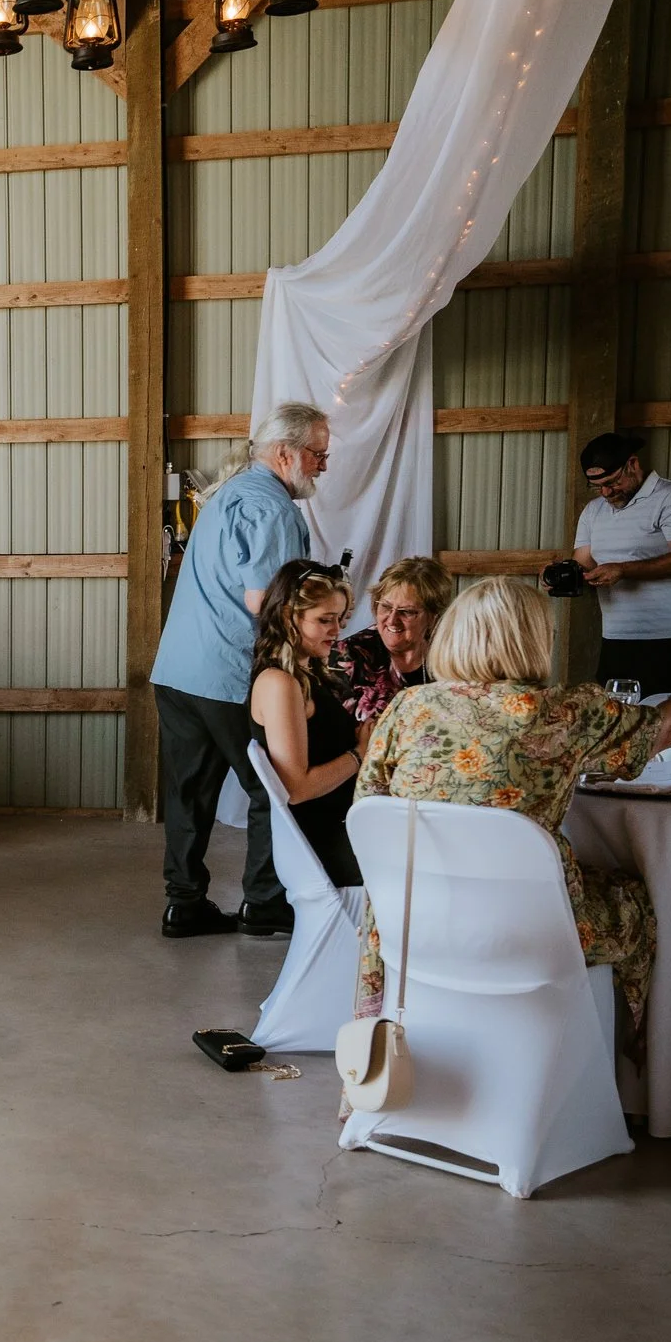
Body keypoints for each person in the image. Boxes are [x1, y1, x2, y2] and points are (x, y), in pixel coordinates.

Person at [353, 577, 671, 1029]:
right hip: (525, 928)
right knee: (635, 898)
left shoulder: (408, 706)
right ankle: (628, 1064)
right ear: (534, 639)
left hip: (410, 921)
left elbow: (368, 807)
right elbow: (663, 730)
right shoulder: (568, 711)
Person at [149, 401, 329, 939]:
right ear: (284, 453)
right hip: (229, 673)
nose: (323, 464)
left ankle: (183, 905)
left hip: (179, 668)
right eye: (317, 453)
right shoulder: (272, 508)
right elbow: (262, 601)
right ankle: (265, 902)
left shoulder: (226, 493)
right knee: (276, 786)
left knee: (189, 792)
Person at [246, 560, 363, 888]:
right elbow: (296, 789)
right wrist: (360, 753)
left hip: (338, 828)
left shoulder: (305, 673)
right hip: (323, 846)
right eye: (325, 620)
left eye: (340, 619)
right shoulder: (279, 684)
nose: (336, 630)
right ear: (288, 617)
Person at [572, 433, 671, 699]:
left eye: (612, 482)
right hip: (615, 634)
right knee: (615, 716)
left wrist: (624, 570)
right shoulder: (593, 511)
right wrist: (561, 576)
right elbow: (583, 563)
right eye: (597, 486)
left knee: (661, 717)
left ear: (633, 464)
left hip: (669, 636)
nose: (606, 492)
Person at [329, 554, 455, 727]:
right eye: (386, 607)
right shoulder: (346, 655)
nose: (392, 620)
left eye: (407, 611)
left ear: (432, 617)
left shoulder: (450, 657)